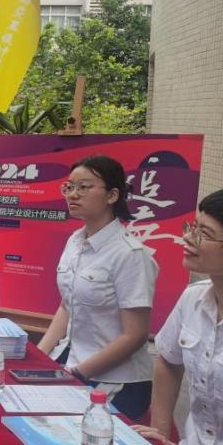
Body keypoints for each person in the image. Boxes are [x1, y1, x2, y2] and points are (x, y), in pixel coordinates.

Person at [37, 155, 157, 420]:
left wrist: (78, 374)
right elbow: (67, 306)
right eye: (69, 187)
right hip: (69, 362)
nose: (73, 194)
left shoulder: (130, 255)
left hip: (116, 380)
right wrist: (39, 356)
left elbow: (135, 335)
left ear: (112, 195)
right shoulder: (75, 241)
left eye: (84, 187)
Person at [133, 188, 223, 445]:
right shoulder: (193, 298)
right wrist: (161, 433)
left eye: (204, 233)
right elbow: (168, 360)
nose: (188, 238)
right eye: (192, 227)